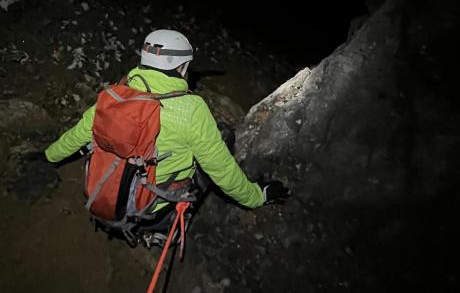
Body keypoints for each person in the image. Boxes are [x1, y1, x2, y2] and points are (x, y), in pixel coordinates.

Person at [43, 29, 290, 243]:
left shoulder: (116, 95)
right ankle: (164, 229)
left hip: (106, 195)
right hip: (154, 208)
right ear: (180, 66)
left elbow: (77, 136)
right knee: (222, 137)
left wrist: (47, 156)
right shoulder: (191, 109)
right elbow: (222, 172)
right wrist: (258, 196)